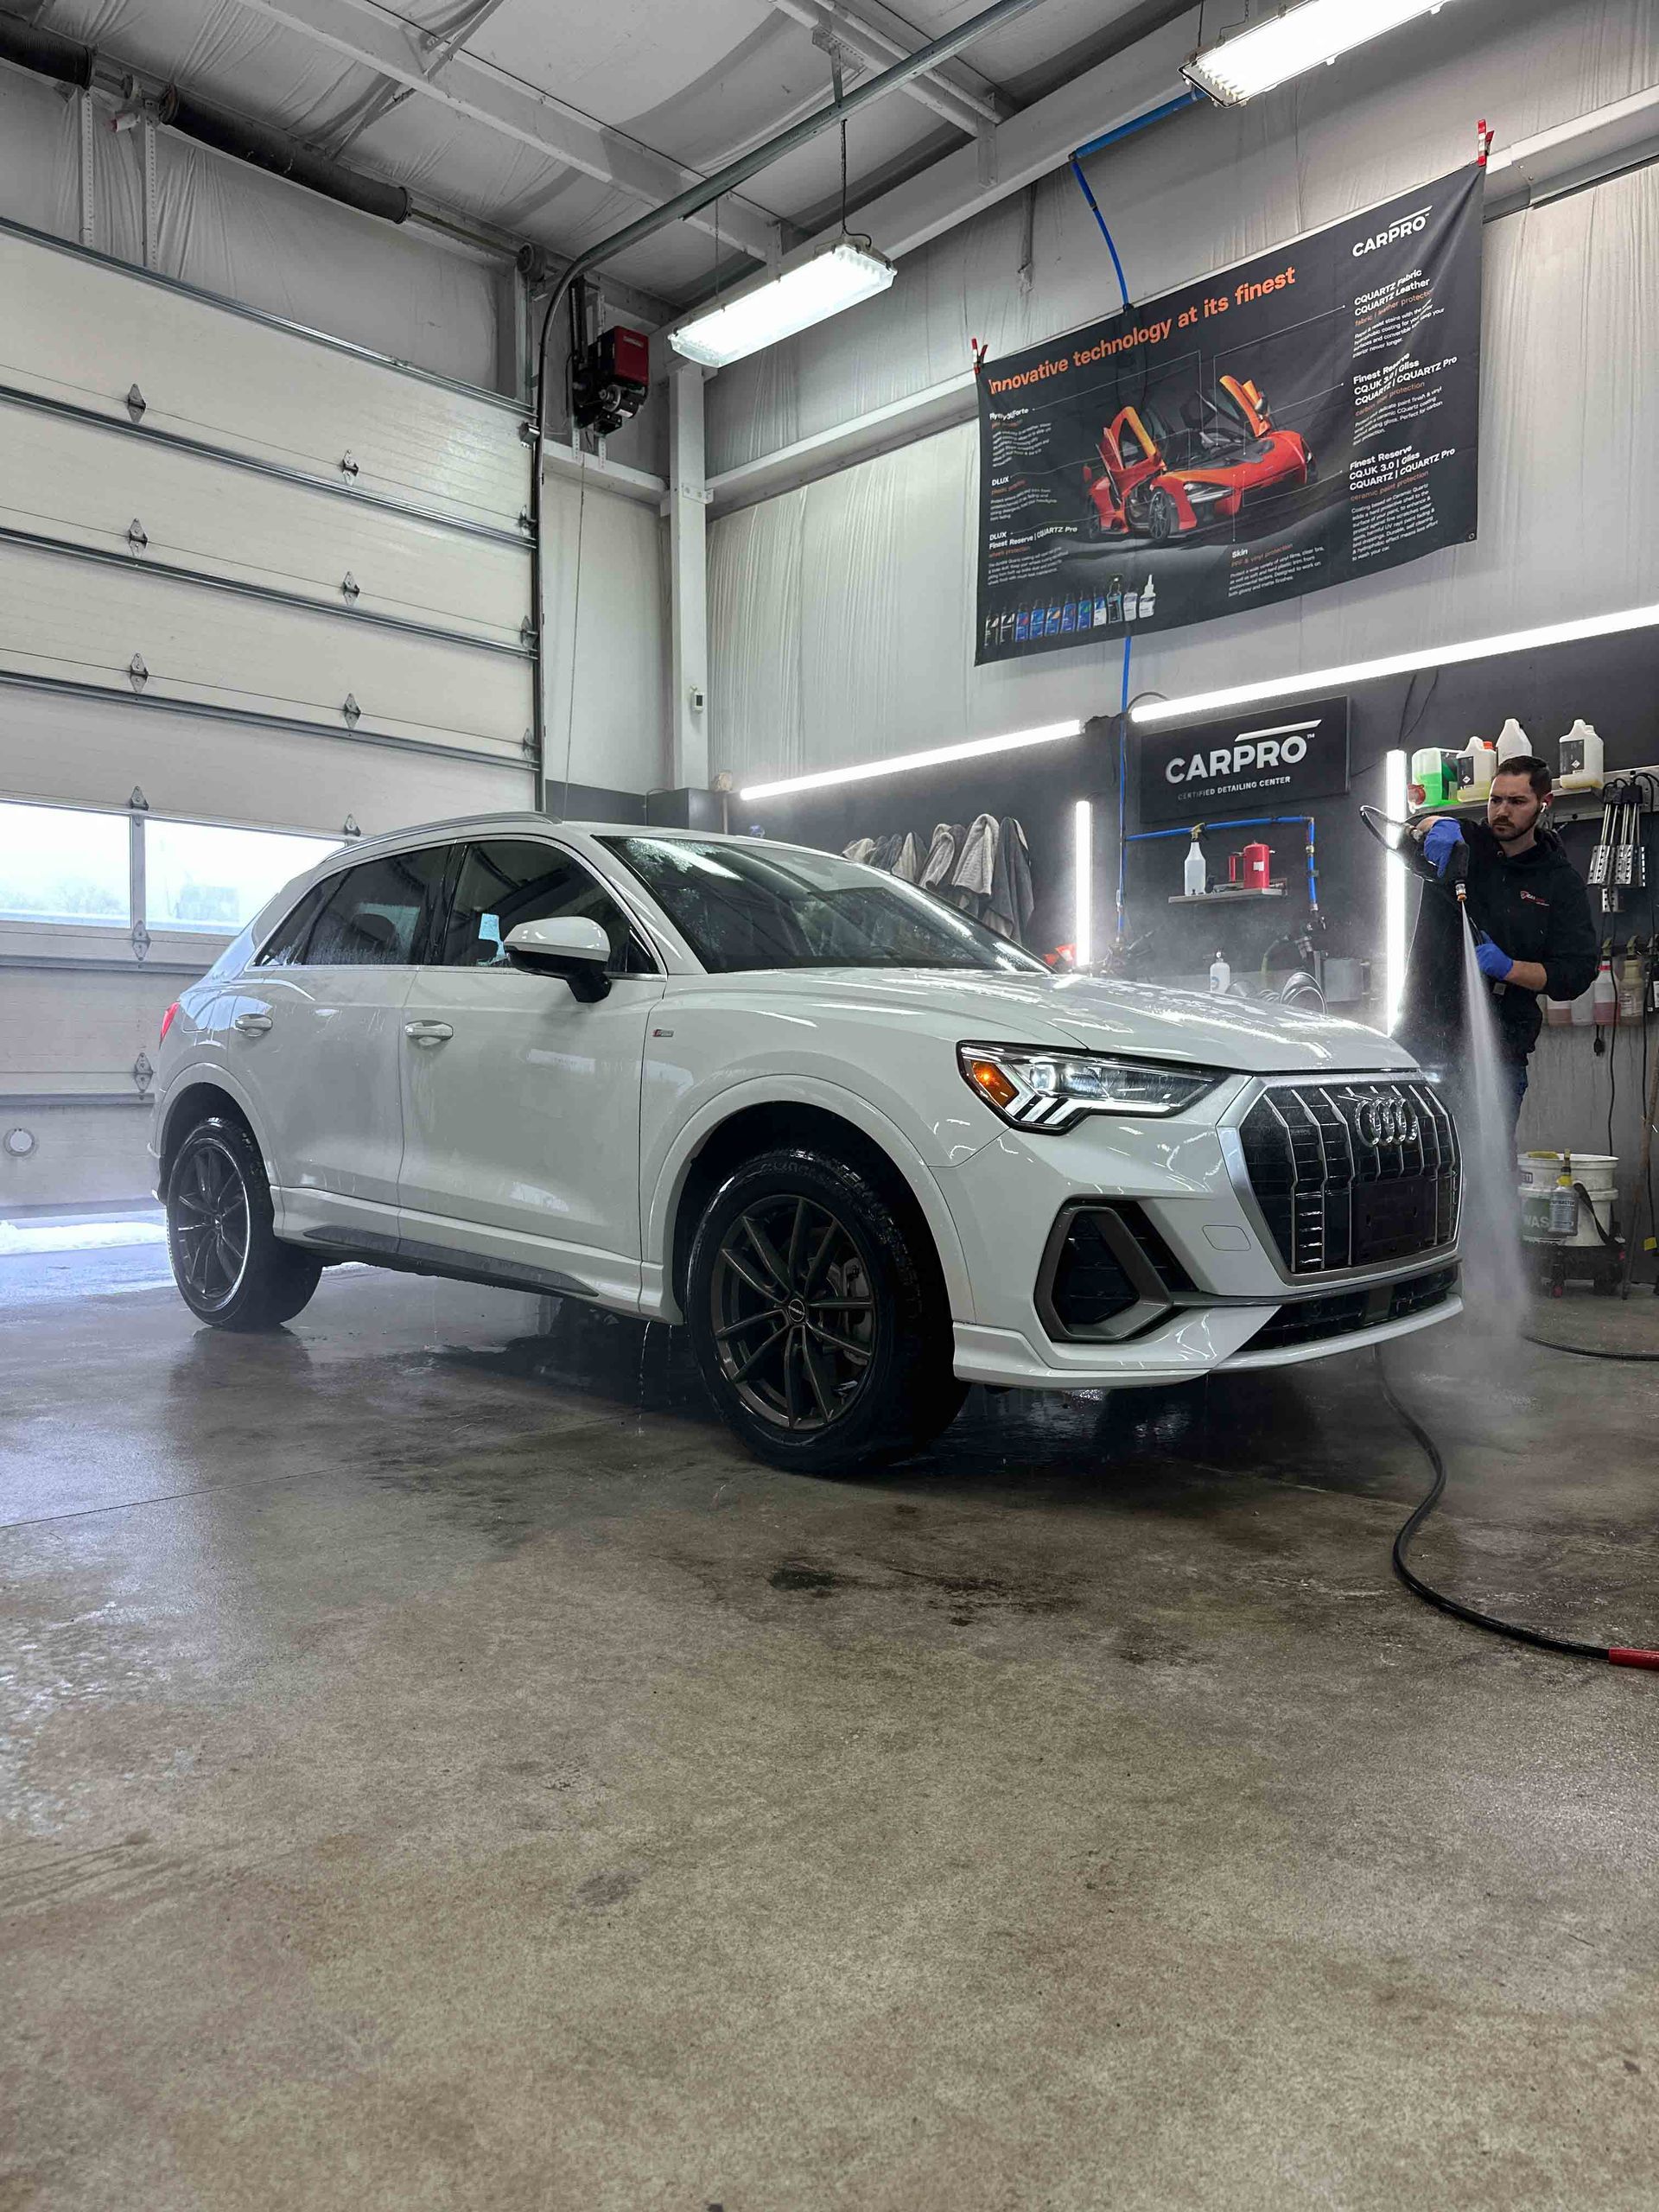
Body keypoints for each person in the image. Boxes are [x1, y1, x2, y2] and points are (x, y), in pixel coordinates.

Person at [1396, 755, 1598, 1130]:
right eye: (1495, 800)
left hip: (1500, 1048)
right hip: (1422, 1037)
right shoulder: (1467, 842)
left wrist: (1510, 968)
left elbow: (1577, 971)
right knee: (1411, 1160)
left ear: (1544, 803)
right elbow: (1405, 833)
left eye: (1517, 802)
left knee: (1485, 1160)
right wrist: (1431, 824)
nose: (1501, 812)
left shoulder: (1559, 882)